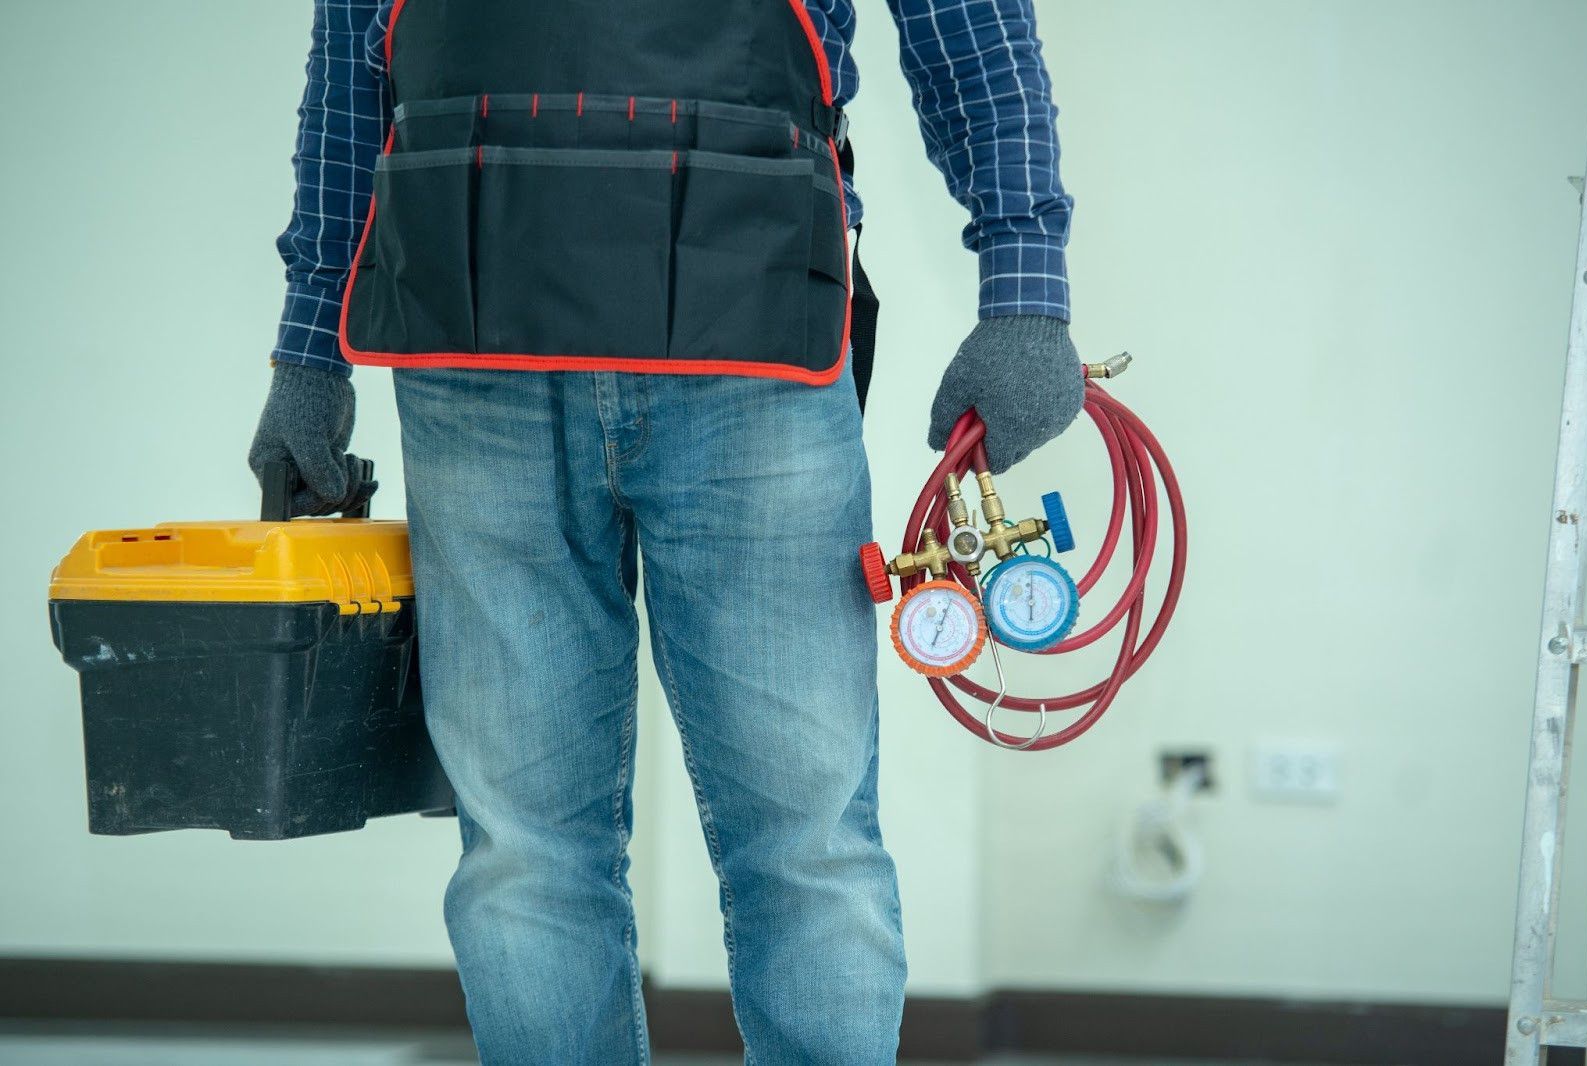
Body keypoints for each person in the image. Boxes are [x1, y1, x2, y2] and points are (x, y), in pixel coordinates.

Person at [248, 1, 1080, 1062]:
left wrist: (1025, 287)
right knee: (526, 852)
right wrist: (309, 344)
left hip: (748, 341)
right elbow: (353, 52)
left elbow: (967, 22)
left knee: (801, 839)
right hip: (479, 353)